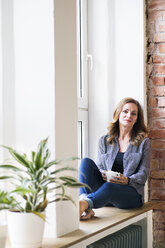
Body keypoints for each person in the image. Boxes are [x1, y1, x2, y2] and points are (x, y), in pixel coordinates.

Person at [79, 97, 151, 220]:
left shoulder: (144, 143)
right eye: (125, 111)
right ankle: (85, 204)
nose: (129, 115)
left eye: (134, 113)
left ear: (137, 119)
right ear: (118, 113)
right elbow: (100, 166)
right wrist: (104, 174)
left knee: (109, 187)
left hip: (129, 195)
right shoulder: (104, 140)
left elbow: (143, 174)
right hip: (105, 193)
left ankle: (83, 205)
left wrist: (127, 180)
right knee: (85, 162)